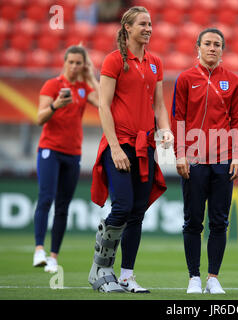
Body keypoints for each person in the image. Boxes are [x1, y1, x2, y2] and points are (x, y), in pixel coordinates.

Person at [88, 6, 173, 293]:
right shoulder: (113, 61)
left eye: (150, 24)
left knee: (137, 211)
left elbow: (159, 104)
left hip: (144, 145)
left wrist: (165, 131)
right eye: (142, 24)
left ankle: (126, 276)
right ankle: (100, 269)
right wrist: (114, 147)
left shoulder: (156, 62)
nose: (148, 28)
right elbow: (103, 105)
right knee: (122, 206)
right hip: (120, 144)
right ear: (127, 28)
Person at [171, 28, 238, 294]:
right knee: (193, 221)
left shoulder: (233, 81)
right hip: (194, 159)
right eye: (208, 43)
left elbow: (237, 121)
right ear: (197, 47)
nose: (212, 48)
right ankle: (194, 277)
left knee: (219, 221)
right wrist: (179, 153)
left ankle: (213, 277)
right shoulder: (185, 78)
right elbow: (178, 118)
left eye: (217, 44)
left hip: (223, 159)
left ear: (222, 50)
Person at [33, 45, 99, 273]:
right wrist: (55, 105)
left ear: (83, 65)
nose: (73, 66)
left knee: (63, 206)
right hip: (49, 149)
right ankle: (39, 249)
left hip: (73, 153)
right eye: (70, 62)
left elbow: (103, 103)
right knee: (46, 198)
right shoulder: (52, 85)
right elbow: (40, 118)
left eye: (78, 63)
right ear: (64, 62)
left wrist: (91, 76)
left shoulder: (82, 87)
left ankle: (53, 257)